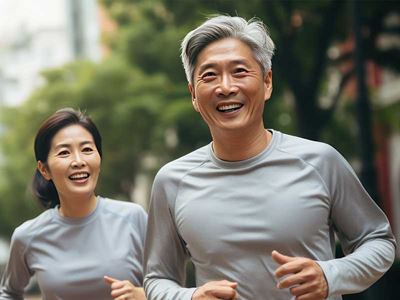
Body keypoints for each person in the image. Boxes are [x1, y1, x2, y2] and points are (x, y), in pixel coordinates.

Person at [143, 15, 396, 300]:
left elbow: (378, 241)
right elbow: (157, 277)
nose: (225, 87)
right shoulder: (172, 181)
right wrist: (190, 298)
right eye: (209, 75)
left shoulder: (320, 162)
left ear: (267, 82)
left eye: (239, 71)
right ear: (193, 95)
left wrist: (330, 276)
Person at [0, 108, 147, 300]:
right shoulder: (28, 236)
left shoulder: (133, 218)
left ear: (99, 158)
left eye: (87, 149)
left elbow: (170, 284)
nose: (78, 161)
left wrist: (143, 294)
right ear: (44, 169)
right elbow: (8, 293)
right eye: (64, 152)